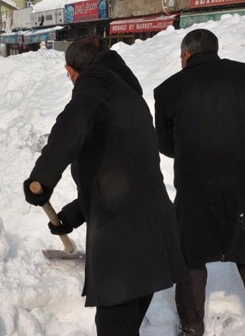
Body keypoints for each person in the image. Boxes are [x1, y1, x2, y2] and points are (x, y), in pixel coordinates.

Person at [23, 36, 188, 335]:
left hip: (125, 237)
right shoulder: (126, 95)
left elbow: (72, 123)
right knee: (124, 326)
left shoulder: (95, 81)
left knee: (114, 327)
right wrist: (75, 213)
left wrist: (41, 179)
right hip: (151, 231)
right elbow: (122, 171)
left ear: (71, 71)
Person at [153, 29, 245, 336]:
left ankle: (192, 330)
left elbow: (165, 145)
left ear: (186, 55)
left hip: (195, 193)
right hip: (244, 191)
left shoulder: (168, 90)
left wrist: (195, 149)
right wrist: (243, 140)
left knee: (190, 266)